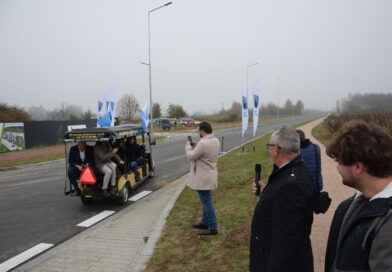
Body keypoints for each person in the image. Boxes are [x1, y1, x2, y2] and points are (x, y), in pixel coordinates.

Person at [324, 120, 392, 272]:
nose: (337, 168)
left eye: (339, 162)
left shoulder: (388, 220)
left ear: (358, 167)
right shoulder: (349, 206)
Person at [250, 126, 317, 272]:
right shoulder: (292, 172)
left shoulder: (292, 184)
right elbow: (285, 207)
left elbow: (285, 240)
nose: (269, 150)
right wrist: (266, 194)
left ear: (276, 149)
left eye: (269, 146)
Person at [185, 122, 220, 236]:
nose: (199, 133)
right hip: (210, 175)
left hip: (203, 177)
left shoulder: (203, 143)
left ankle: (213, 227)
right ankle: (205, 223)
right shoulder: (215, 140)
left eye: (199, 131)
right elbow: (203, 153)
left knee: (207, 202)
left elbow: (192, 156)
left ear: (203, 131)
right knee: (206, 200)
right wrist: (196, 147)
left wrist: (188, 147)